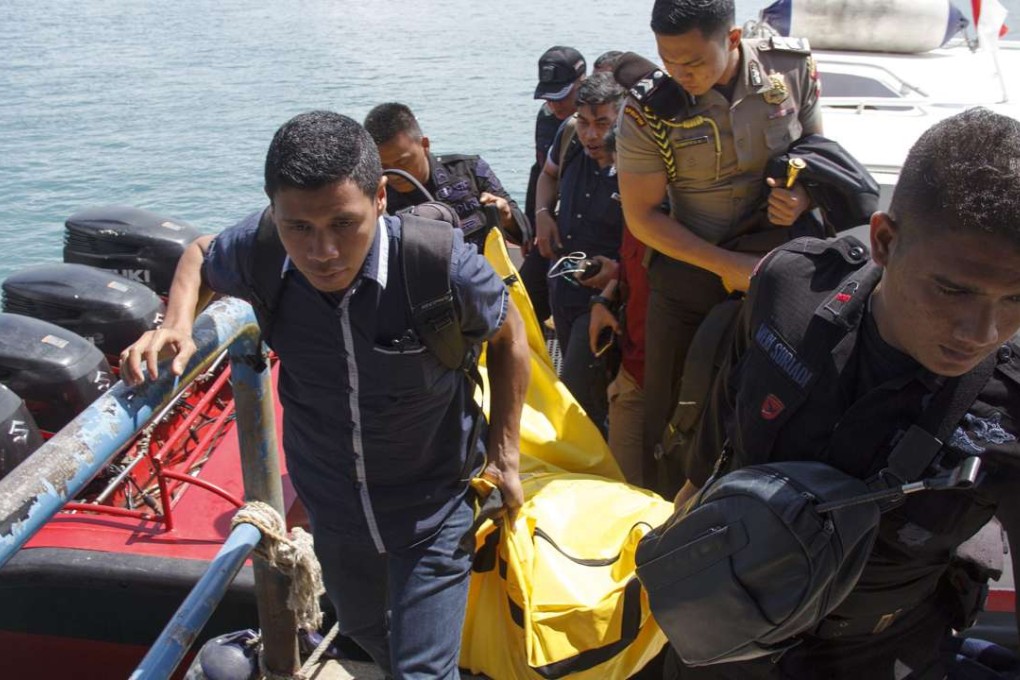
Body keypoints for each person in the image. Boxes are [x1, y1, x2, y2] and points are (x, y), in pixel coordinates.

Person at [120, 111, 530, 680]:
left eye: (343, 223)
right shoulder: (263, 250)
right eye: (300, 228)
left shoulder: (440, 266)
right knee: (361, 626)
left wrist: (505, 454)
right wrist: (177, 324)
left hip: (431, 501)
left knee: (422, 671)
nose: (323, 251)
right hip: (332, 502)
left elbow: (511, 336)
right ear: (274, 213)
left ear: (380, 198)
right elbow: (201, 255)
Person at [668, 107, 1020, 679]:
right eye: (953, 290)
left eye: (1016, 299)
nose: (980, 332)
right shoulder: (789, 285)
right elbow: (716, 441)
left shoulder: (1010, 402)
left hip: (874, 656)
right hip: (720, 626)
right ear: (884, 241)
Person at [615, 0, 822, 492]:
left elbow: (817, 153)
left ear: (731, 40)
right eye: (667, 60)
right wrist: (727, 265)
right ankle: (666, 512)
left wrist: (803, 196)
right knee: (672, 415)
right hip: (691, 271)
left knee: (773, 404)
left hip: (775, 267)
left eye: (692, 62)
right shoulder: (646, 111)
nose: (679, 73)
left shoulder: (789, 69)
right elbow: (642, 216)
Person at [534, 72, 625, 435]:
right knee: (581, 394)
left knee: (576, 394)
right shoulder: (568, 135)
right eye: (584, 121)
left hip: (606, 299)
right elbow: (547, 175)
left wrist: (616, 274)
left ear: (621, 117)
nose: (590, 134)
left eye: (602, 123)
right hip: (563, 285)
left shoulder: (638, 162)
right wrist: (543, 214)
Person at [364, 102, 529, 249]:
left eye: (403, 162)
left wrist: (506, 217)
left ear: (425, 145)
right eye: (383, 166)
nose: (394, 175)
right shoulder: (374, 197)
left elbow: (526, 233)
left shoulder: (470, 170)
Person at [587, 131, 652, 486]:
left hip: (675, 386)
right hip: (632, 371)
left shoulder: (688, 226)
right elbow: (629, 266)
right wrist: (604, 299)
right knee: (623, 487)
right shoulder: (633, 215)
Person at [521, 46, 587, 327]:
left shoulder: (605, 119)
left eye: (563, 96)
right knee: (525, 297)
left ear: (582, 83)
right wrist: (534, 221)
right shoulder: (548, 117)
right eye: (549, 98)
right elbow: (541, 170)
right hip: (556, 218)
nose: (556, 105)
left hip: (592, 226)